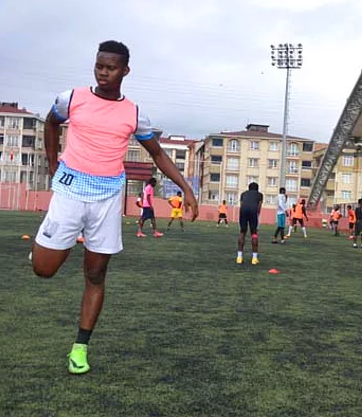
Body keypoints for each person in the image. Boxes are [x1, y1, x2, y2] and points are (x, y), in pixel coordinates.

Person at [31, 40, 199, 375]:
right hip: (69, 191)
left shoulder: (134, 114)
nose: (103, 73)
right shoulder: (72, 98)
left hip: (107, 198)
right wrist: (53, 164)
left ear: (125, 70)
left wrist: (184, 187)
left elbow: (158, 154)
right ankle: (41, 250)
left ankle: (80, 348)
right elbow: (50, 124)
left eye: (110, 68)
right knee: (43, 269)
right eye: (99, 66)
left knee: (95, 274)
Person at [237, 182, 263, 264]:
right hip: (253, 212)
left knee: (242, 232)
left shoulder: (243, 194)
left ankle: (239, 257)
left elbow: (241, 205)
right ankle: (254, 259)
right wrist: (257, 215)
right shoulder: (259, 195)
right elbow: (259, 206)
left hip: (243, 212)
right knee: (254, 234)